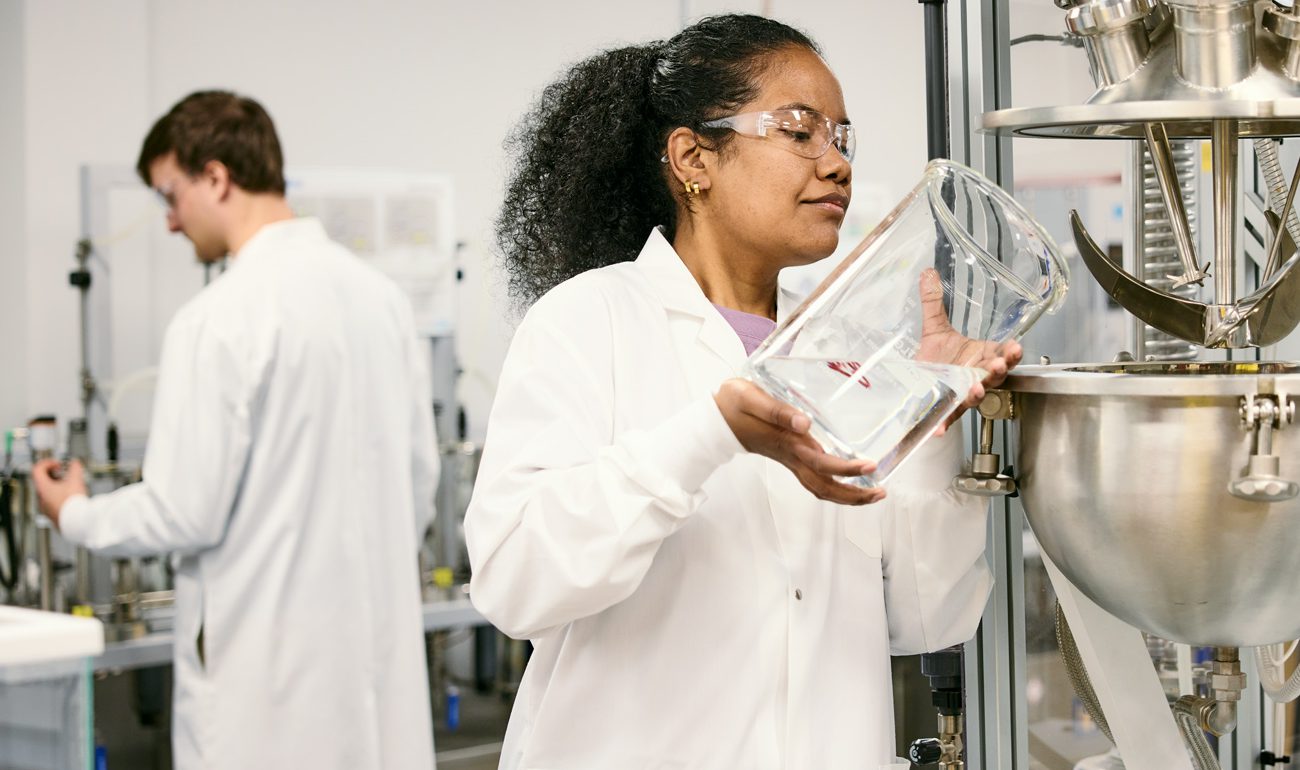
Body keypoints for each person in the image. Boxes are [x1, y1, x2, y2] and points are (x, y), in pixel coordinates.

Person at [466, 14, 1023, 769]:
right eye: (799, 132)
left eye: (842, 138)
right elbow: (515, 582)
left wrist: (932, 420)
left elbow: (927, 620)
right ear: (693, 158)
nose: (837, 164)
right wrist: (710, 434)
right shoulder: (590, 320)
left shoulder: (840, 352)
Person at [31, 91, 439, 770]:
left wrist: (73, 512)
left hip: (265, 701)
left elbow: (182, 511)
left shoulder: (217, 318)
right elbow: (419, 485)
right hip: (373, 687)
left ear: (216, 178)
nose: (169, 221)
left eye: (171, 195)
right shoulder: (384, 302)